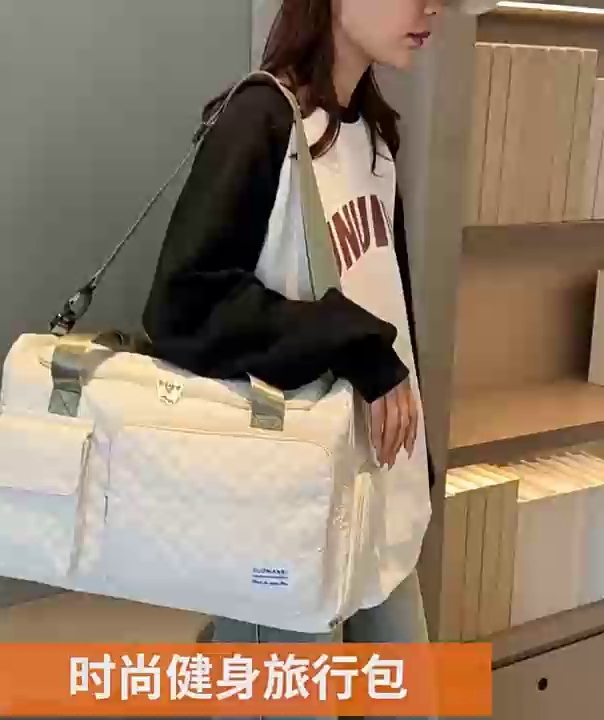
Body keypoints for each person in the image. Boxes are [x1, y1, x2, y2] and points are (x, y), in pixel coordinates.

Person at [143, 0, 447, 716]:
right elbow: (182, 306)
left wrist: (417, 452)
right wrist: (354, 341)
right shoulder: (261, 119)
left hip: (377, 490)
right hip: (283, 511)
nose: (431, 5)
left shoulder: (375, 137)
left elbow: (390, 306)